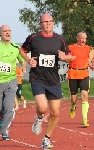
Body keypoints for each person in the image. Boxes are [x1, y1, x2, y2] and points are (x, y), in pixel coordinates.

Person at [19, 13, 75, 149]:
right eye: (45, 22)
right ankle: (38, 118)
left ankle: (46, 139)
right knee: (43, 107)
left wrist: (65, 57)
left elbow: (70, 57)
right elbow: (21, 50)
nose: (48, 24)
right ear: (41, 24)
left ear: (53, 23)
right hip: (37, 77)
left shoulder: (59, 39)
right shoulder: (33, 38)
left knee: (55, 112)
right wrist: (28, 60)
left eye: (50, 21)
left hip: (53, 79)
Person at [0, 25, 26, 141]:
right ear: (0, 34)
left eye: (9, 31)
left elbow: (22, 60)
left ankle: (4, 131)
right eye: (5, 31)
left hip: (11, 81)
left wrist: (23, 66)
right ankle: (2, 118)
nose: (7, 33)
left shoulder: (15, 47)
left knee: (9, 108)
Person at [68, 31, 93, 127]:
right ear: (77, 38)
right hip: (73, 74)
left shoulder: (88, 48)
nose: (83, 40)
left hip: (84, 74)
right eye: (82, 38)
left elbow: (89, 60)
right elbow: (66, 57)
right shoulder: (71, 47)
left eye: (85, 38)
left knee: (85, 95)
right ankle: (72, 107)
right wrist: (68, 58)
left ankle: (84, 120)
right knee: (74, 99)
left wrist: (91, 65)